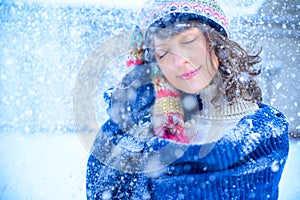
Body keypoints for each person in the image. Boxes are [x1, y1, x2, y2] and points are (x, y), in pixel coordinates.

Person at [86, 0, 289, 199]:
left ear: (216, 43)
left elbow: (206, 188)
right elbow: (101, 191)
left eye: (188, 41)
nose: (179, 60)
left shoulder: (263, 133)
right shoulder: (146, 124)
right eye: (164, 52)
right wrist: (132, 126)